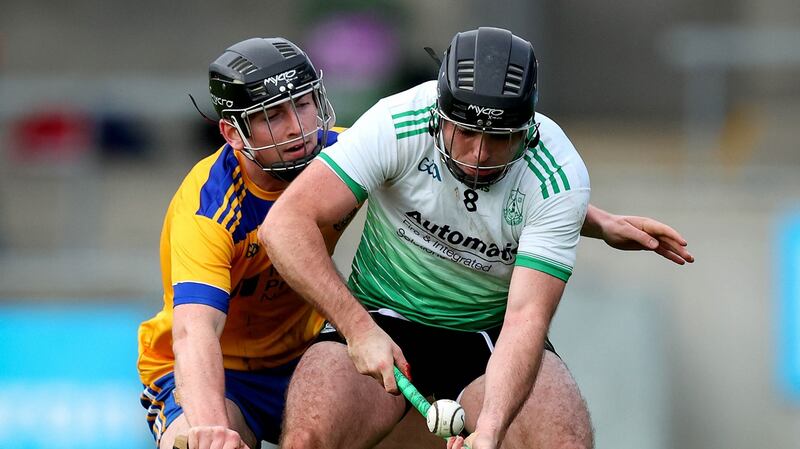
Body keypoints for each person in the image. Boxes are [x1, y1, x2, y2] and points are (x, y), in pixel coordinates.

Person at [261, 27, 693, 449]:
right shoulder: (397, 121)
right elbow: (285, 224)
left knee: (563, 441)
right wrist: (357, 329)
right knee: (307, 439)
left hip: (487, 336)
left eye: (499, 138)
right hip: (380, 315)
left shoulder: (559, 176)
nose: (479, 156)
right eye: (466, 132)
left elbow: (526, 318)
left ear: (528, 130)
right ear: (439, 114)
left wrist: (489, 430)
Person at [136, 37, 342, 449]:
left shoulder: (344, 156)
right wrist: (213, 430)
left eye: (302, 104)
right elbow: (196, 332)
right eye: (272, 115)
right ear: (233, 132)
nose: (297, 127)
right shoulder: (208, 209)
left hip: (306, 356)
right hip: (219, 372)